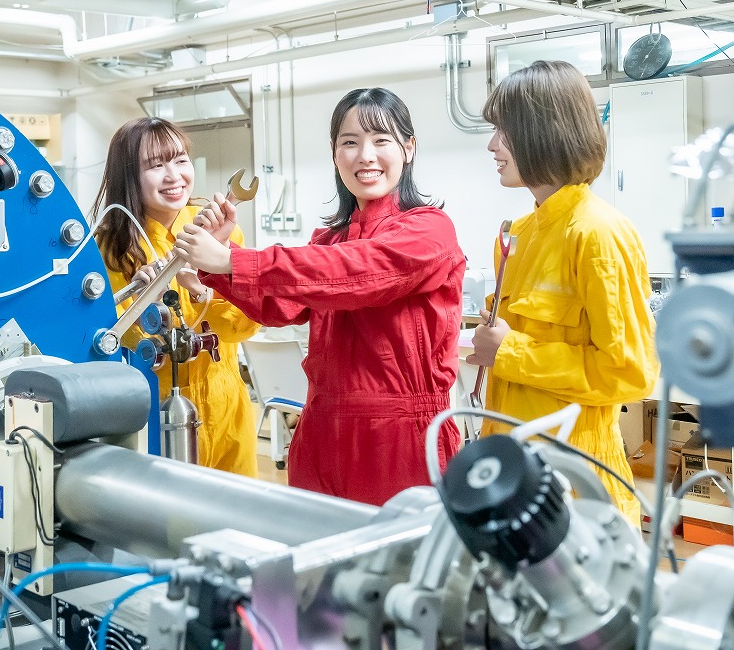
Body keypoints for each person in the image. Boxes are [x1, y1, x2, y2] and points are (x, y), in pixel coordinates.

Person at [173, 88, 465, 506]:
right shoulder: (329, 239)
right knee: (321, 563)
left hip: (401, 438)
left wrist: (233, 261)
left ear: (408, 147)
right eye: (350, 142)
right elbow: (281, 307)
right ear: (334, 154)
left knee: (399, 566)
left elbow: (358, 272)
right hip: (321, 431)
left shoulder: (429, 230)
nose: (365, 155)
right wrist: (220, 264)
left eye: (381, 140)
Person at [466, 60, 659, 524]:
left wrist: (509, 351)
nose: (493, 145)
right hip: (516, 465)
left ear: (542, 132)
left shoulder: (598, 234)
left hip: (579, 482)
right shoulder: (521, 233)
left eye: (503, 132)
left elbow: (630, 373)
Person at [91, 117, 259, 477]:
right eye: (156, 165)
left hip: (228, 407)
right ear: (129, 176)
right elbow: (113, 342)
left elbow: (244, 327)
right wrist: (145, 305)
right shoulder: (109, 249)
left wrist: (201, 290)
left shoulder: (215, 230)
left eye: (180, 160)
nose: (174, 176)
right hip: (155, 412)